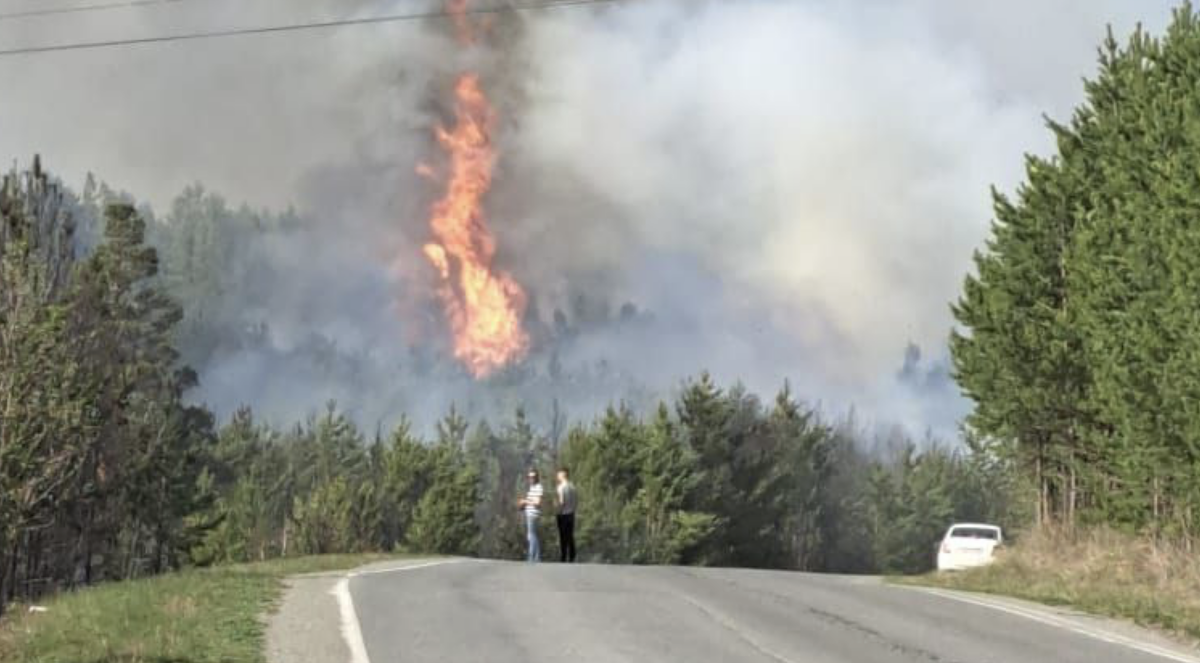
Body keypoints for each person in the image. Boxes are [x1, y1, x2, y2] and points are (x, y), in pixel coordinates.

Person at [519, 469, 543, 563]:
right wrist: (523, 505)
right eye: (529, 477)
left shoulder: (538, 487)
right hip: (529, 513)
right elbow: (531, 502)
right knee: (532, 535)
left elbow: (537, 503)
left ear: (537, 477)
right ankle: (537, 557)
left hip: (533, 514)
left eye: (533, 477)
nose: (531, 479)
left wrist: (525, 501)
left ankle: (531, 556)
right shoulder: (532, 488)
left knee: (531, 535)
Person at [555, 468, 578, 563]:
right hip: (571, 514)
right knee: (570, 536)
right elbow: (576, 501)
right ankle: (572, 555)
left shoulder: (561, 487)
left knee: (563, 537)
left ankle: (563, 556)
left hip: (563, 514)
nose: (557, 476)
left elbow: (561, 502)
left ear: (562, 475)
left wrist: (557, 510)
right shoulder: (573, 486)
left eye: (558, 475)